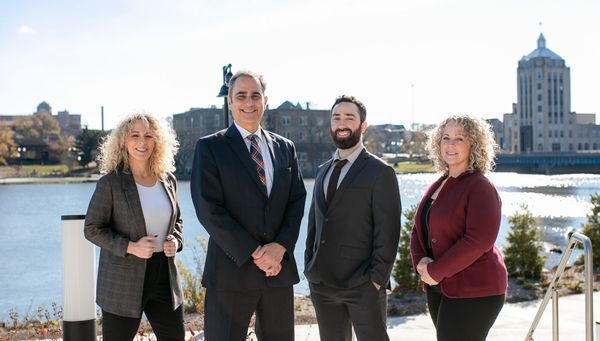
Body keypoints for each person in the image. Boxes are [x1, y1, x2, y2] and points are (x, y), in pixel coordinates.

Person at [191, 69, 307, 341]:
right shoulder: (210, 148)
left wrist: (279, 248)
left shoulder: (285, 147)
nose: (249, 102)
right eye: (241, 96)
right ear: (230, 102)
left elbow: (296, 201)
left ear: (265, 100)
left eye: (255, 95)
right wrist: (255, 252)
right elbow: (209, 209)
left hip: (278, 272)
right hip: (231, 272)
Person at [304, 95, 401, 341]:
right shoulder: (322, 170)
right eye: (336, 117)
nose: (342, 123)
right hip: (322, 285)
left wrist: (376, 281)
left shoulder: (381, 172)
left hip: (363, 286)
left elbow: (388, 233)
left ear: (363, 125)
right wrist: (310, 267)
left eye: (350, 117)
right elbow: (315, 224)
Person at [84, 113, 185, 340]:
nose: (142, 142)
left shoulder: (168, 180)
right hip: (123, 281)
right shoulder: (110, 183)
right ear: (123, 142)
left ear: (157, 141)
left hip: (164, 277)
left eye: (148, 135)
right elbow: (91, 228)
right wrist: (130, 246)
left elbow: (177, 220)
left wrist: (176, 241)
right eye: (135, 135)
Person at [410, 114, 508, 341]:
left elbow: (478, 241)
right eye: (446, 138)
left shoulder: (481, 187)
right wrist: (420, 264)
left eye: (459, 139)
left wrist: (434, 271)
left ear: (473, 144)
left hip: (476, 289)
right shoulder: (440, 183)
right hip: (439, 286)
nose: (450, 145)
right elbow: (418, 229)